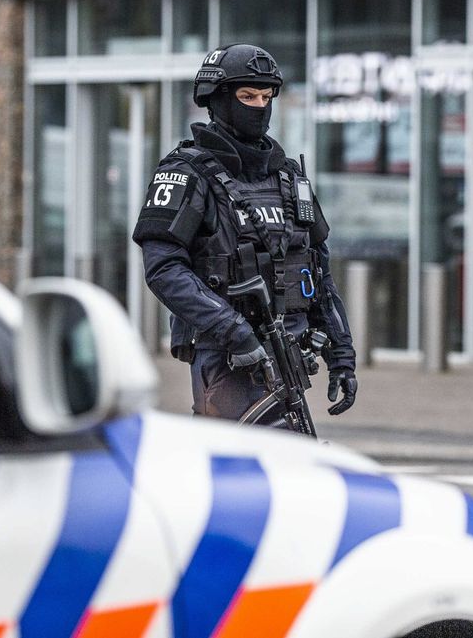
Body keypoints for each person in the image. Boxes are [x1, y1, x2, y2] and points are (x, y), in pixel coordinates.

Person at [132, 43, 358, 422]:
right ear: (218, 100)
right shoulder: (188, 173)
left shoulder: (288, 177)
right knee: (230, 471)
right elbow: (164, 269)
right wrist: (233, 330)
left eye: (266, 96)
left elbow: (318, 271)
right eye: (247, 96)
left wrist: (341, 353)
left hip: (289, 355)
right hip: (224, 356)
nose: (259, 106)